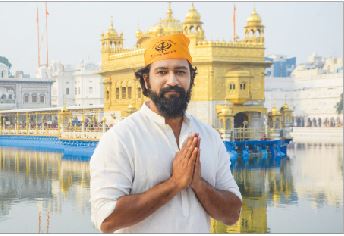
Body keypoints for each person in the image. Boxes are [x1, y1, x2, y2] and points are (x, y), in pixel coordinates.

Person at [90, 33, 242, 233]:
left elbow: (232, 214)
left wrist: (198, 184)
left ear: (191, 79)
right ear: (146, 81)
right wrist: (174, 184)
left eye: (180, 72)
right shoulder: (121, 139)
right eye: (162, 72)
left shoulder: (209, 137)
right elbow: (107, 220)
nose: (172, 81)